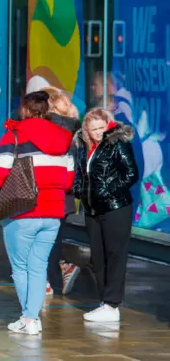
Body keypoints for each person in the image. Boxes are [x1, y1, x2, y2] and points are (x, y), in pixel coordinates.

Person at [0, 91, 74, 335]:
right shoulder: (63, 139)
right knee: (38, 267)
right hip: (53, 212)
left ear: (24, 110)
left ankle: (29, 318)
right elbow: (68, 180)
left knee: (20, 267)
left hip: (22, 210)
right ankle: (32, 318)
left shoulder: (13, 135)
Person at [73, 108, 138, 323]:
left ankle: (112, 304)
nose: (99, 133)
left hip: (115, 207)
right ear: (87, 131)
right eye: (94, 129)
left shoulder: (116, 143)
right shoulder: (84, 147)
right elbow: (80, 174)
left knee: (115, 255)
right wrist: (79, 191)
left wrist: (108, 190)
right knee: (97, 257)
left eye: (102, 128)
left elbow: (130, 173)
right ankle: (104, 302)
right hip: (92, 209)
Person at [41, 87, 82, 296]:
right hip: (65, 193)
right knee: (54, 236)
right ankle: (60, 272)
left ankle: (51, 279)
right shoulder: (74, 128)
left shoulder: (49, 127)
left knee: (44, 239)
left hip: (48, 189)